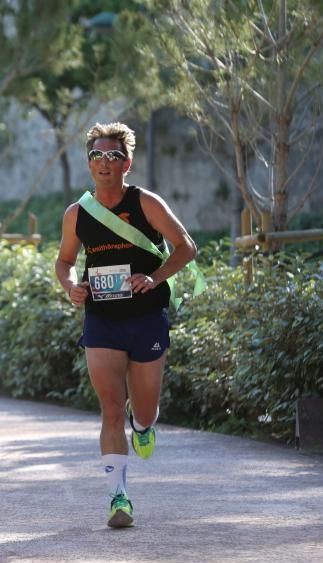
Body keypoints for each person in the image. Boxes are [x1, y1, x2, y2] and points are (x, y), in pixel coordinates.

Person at [55, 122, 197, 529]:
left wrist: (155, 277)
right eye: (97, 155)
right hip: (102, 319)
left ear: (127, 163)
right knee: (112, 407)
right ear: (89, 163)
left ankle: (145, 424)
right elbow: (64, 261)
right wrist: (71, 287)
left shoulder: (146, 203)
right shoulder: (77, 213)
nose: (105, 162)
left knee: (145, 409)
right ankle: (118, 496)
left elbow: (187, 246)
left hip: (147, 317)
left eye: (113, 156)